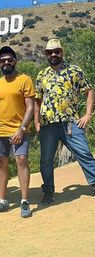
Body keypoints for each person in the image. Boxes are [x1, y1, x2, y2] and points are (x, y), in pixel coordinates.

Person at [34, 38, 95, 205]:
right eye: (49, 52)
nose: (53, 54)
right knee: (46, 160)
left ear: (62, 52)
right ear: (46, 54)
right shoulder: (42, 75)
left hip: (70, 123)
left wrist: (88, 114)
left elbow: (89, 91)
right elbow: (37, 100)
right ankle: (48, 191)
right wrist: (36, 121)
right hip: (48, 125)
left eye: (56, 51)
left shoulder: (74, 71)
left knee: (84, 153)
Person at [0, 46, 35, 218]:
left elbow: (30, 107)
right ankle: (2, 201)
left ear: (15, 61)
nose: (6, 62)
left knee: (21, 160)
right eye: (3, 60)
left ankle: (24, 201)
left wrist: (22, 129)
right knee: (1, 163)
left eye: (9, 60)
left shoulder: (24, 80)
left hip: (18, 130)